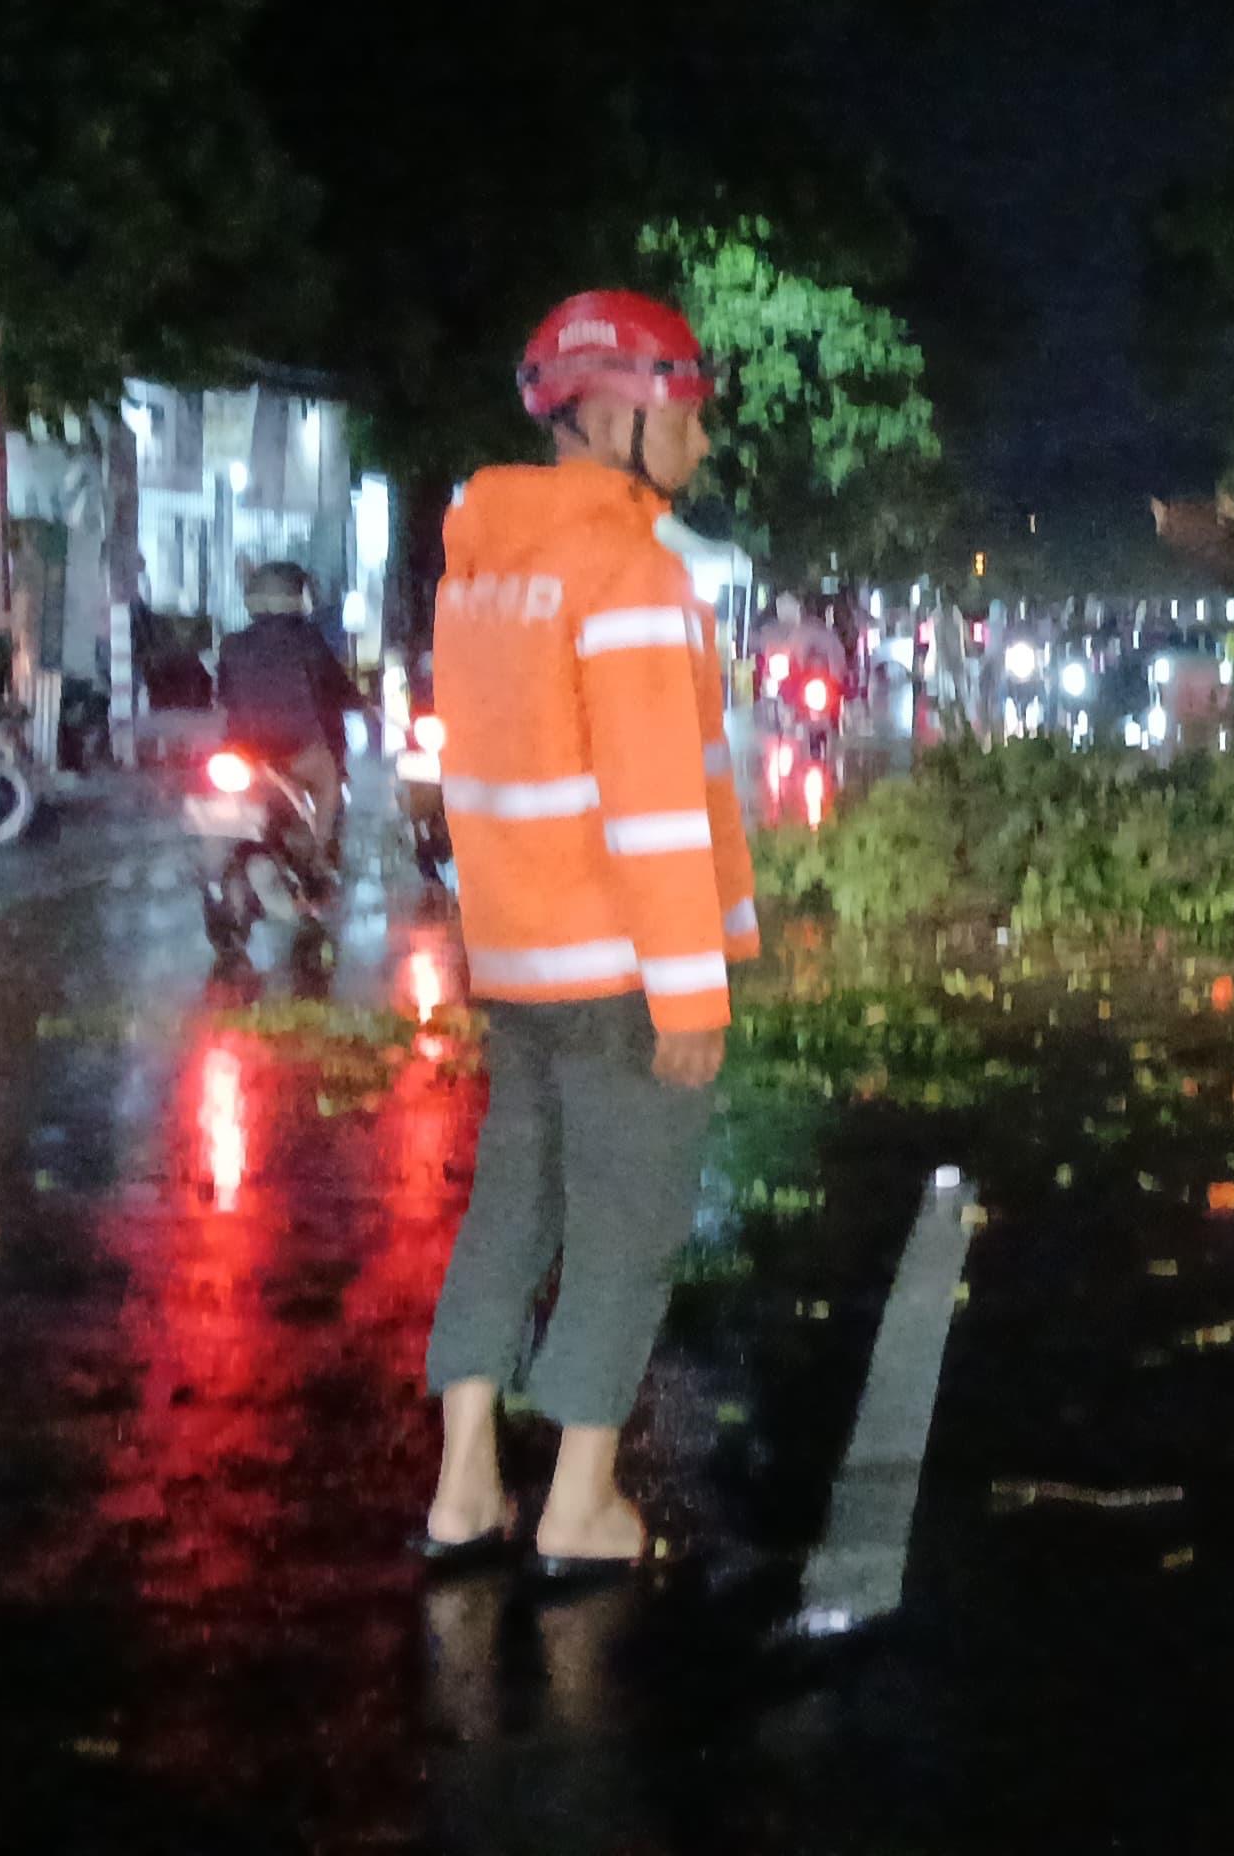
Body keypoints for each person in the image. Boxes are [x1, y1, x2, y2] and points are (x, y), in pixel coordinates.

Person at [415, 290, 758, 1581]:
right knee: (626, 1222)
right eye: (684, 412)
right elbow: (656, 806)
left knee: (512, 1203)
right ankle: (579, 1507)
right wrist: (691, 993)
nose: (699, 443)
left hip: (517, 961)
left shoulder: (484, 566)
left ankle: (463, 1492)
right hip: (622, 970)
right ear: (612, 413)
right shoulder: (631, 575)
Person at [212, 561, 363, 857]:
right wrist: (362, 702)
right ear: (295, 596)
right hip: (298, 751)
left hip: (246, 756)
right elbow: (339, 688)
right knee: (328, 785)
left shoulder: (231, 645)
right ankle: (320, 856)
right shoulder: (309, 640)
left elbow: (223, 697)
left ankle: (217, 879)